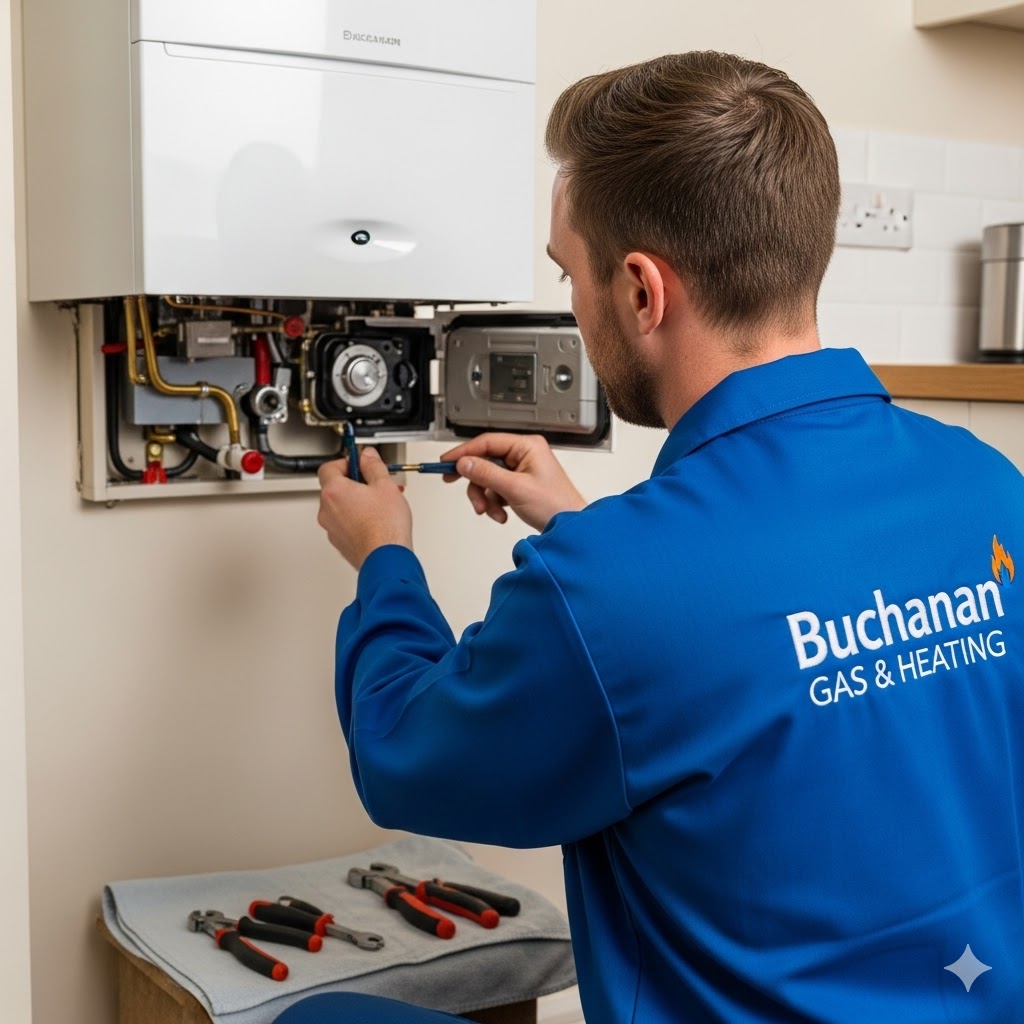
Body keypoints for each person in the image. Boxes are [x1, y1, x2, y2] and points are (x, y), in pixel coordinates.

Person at [309, 51, 1024, 1023]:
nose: (571, 302)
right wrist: (595, 538)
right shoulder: (983, 485)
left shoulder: (612, 591)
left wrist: (383, 557)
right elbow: (761, 630)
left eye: (570, 273)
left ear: (642, 290)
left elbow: (402, 756)